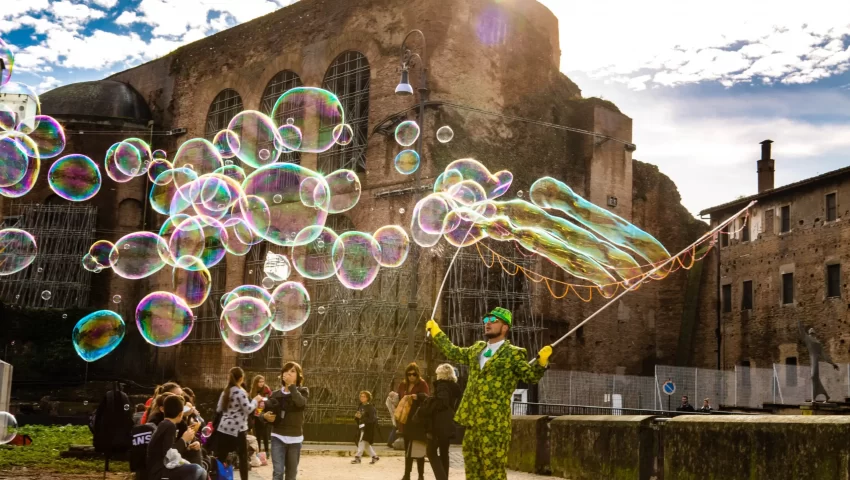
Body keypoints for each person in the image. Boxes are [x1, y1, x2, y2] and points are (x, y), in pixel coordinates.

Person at [426, 307, 552, 480]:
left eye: (494, 321)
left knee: (493, 473)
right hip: (472, 422)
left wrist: (541, 363)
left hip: (495, 424)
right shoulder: (477, 348)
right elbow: (452, 351)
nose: (488, 324)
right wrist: (437, 332)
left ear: (505, 327)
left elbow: (530, 376)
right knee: (472, 472)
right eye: (486, 321)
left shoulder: (514, 353)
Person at [214, 367, 263, 480]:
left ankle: (217, 477)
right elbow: (248, 409)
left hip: (223, 428)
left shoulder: (225, 391)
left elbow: (218, 408)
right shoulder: (240, 392)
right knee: (243, 457)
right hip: (238, 429)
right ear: (241, 378)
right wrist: (255, 400)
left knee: (221, 457)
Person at [263, 361, 309, 480]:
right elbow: (266, 412)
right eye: (286, 371)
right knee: (278, 472)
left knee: (291, 474)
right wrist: (265, 417)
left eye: (293, 371)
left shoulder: (303, 391)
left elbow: (300, 403)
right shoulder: (275, 394)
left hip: (295, 439)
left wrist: (292, 386)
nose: (289, 373)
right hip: (277, 436)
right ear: (282, 375)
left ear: (298, 376)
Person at [145, 394, 205, 480]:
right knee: (198, 470)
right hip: (160, 472)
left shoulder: (164, 424)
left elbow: (166, 450)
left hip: (156, 470)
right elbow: (169, 455)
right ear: (181, 414)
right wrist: (184, 440)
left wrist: (186, 446)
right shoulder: (170, 426)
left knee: (199, 470)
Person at [425, 364, 462, 480]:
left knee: (430, 451)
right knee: (444, 452)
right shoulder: (455, 387)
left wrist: (430, 402)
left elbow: (442, 402)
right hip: (449, 422)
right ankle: (444, 476)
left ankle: (441, 478)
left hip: (438, 423)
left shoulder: (442, 385)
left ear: (441, 375)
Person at [397, 362, 429, 480]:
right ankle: (407, 474)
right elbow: (399, 399)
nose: (411, 377)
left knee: (419, 450)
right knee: (408, 450)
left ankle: (421, 476)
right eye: (409, 374)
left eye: (414, 374)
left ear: (417, 374)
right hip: (406, 421)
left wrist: (418, 396)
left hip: (418, 421)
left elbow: (427, 398)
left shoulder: (422, 384)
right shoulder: (403, 385)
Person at [351, 391, 379, 465]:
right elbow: (359, 417)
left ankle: (358, 457)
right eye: (361, 396)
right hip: (361, 426)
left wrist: (362, 418)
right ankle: (374, 456)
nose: (362, 398)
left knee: (361, 441)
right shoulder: (361, 406)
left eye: (364, 396)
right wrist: (357, 417)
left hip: (367, 428)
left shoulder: (371, 408)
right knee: (365, 443)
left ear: (368, 398)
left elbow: (372, 419)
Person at [249, 375, 273, 455]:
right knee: (257, 434)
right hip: (256, 414)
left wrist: (264, 399)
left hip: (265, 412)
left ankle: (266, 451)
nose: (262, 383)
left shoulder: (266, 389)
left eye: (263, 381)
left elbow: (271, 398)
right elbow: (251, 401)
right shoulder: (253, 390)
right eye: (260, 382)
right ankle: (258, 451)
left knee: (265, 434)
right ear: (256, 382)